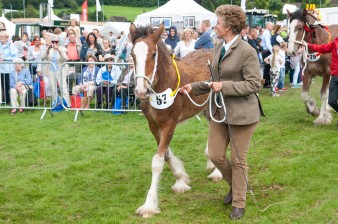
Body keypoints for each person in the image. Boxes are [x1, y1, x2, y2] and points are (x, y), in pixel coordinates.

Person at [180, 5, 263, 220]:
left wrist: (225, 86)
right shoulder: (219, 47)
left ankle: (239, 202)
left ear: (229, 26)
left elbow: (254, 84)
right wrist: (194, 86)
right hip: (219, 111)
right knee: (216, 155)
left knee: (238, 160)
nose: (214, 26)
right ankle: (236, 186)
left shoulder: (247, 51)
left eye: (217, 23)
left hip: (242, 115)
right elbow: (213, 80)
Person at [304, 37, 338, 123]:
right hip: (335, 77)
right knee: (331, 101)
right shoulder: (335, 43)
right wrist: (308, 45)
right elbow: (322, 48)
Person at [41, 34, 70, 106]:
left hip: (60, 70)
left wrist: (59, 50)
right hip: (51, 70)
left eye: (56, 42)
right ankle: (55, 103)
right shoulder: (49, 49)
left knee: (63, 87)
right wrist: (47, 49)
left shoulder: (62, 49)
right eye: (53, 42)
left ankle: (67, 104)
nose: (54, 43)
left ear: (58, 42)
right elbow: (42, 57)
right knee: (53, 88)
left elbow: (65, 58)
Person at [0, 31, 19, 104]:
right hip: (1, 69)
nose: (0, 38)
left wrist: (5, 59)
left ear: (6, 38)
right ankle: (6, 99)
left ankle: (12, 99)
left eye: (2, 37)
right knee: (3, 85)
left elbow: (15, 56)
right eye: (0, 36)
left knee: (10, 85)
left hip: (9, 68)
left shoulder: (11, 45)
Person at [261, 22, 274, 88]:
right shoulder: (266, 33)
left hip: (266, 51)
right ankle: (266, 83)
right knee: (267, 67)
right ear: (268, 26)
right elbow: (268, 44)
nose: (272, 27)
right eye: (271, 26)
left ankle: (267, 82)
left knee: (268, 67)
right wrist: (273, 52)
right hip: (266, 52)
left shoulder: (267, 32)